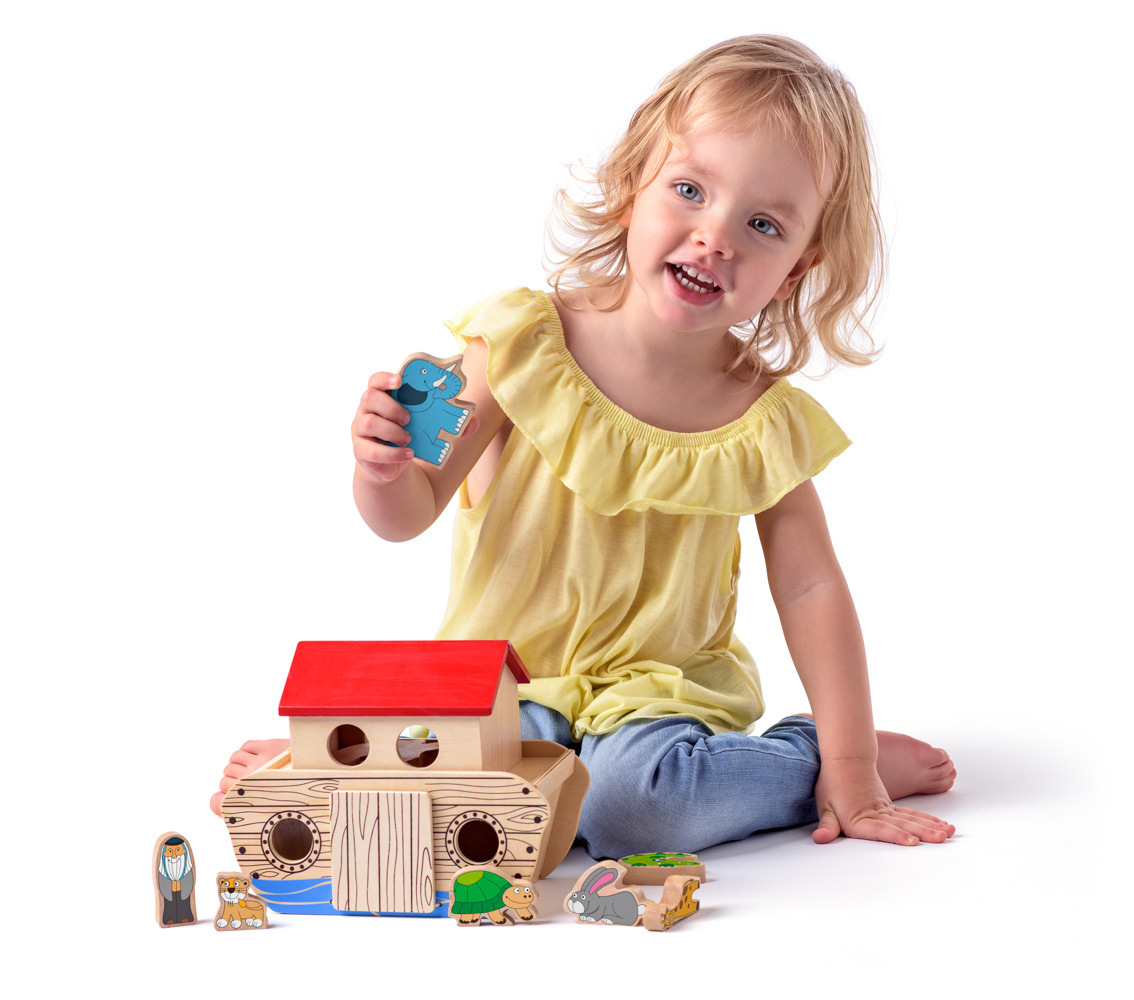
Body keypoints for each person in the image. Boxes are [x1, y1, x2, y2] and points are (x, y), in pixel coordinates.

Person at [212, 35, 955, 857]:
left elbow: (811, 585)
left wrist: (849, 764)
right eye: (689, 190)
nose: (716, 238)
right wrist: (380, 469)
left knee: (632, 814)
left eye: (763, 224)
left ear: (794, 270)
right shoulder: (520, 345)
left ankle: (816, 759)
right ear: (632, 186)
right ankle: (326, 762)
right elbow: (406, 515)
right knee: (436, 797)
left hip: (654, 702)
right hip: (498, 686)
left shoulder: (758, 417)